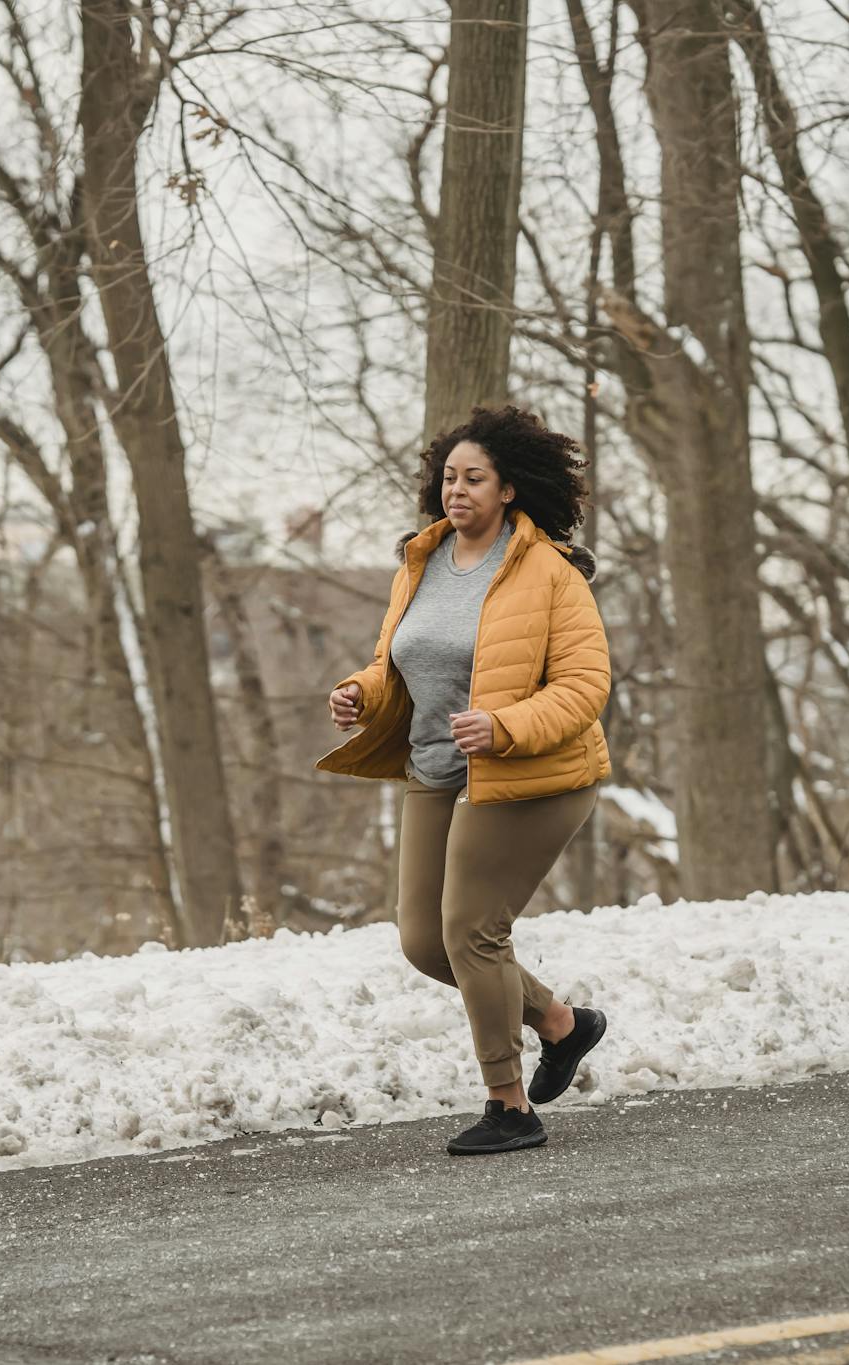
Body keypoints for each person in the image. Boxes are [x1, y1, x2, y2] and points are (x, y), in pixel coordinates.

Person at [317, 405, 613, 1156]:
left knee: (473, 930)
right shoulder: (422, 561)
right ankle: (560, 1024)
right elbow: (403, 665)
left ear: (509, 488)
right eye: (449, 476)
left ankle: (509, 1106)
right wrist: (361, 692)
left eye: (474, 478)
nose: (457, 490)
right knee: (424, 941)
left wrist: (505, 725)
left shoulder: (547, 571)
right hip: (436, 769)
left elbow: (585, 686)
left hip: (533, 774)